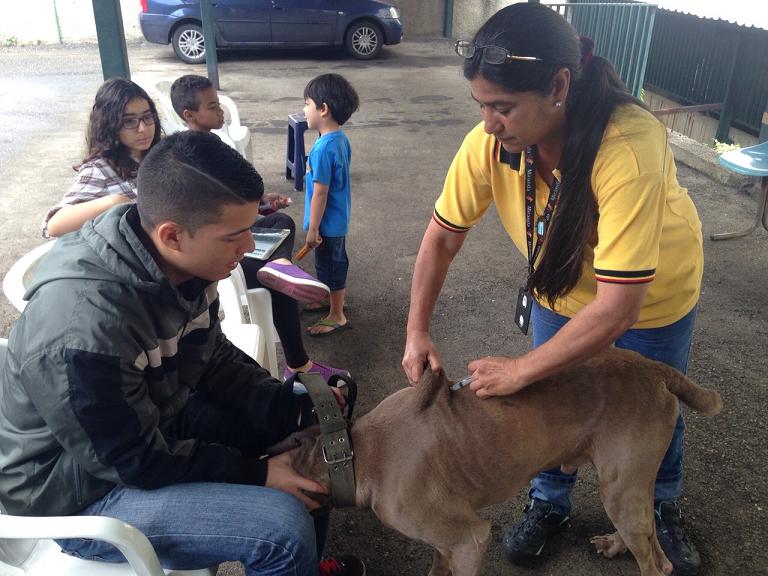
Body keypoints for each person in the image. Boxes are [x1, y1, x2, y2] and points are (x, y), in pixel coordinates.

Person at [401, 4, 704, 575]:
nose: (489, 123)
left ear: (559, 86)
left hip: (649, 303)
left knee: (648, 404)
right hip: (561, 292)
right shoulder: (492, 144)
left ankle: (658, 506)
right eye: (482, 106)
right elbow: (441, 238)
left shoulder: (628, 145)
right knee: (544, 406)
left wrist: (519, 368)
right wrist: (417, 331)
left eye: (503, 107)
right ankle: (549, 504)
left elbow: (617, 308)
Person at [0, 131, 365, 576]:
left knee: (308, 441)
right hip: (78, 494)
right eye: (236, 235)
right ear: (173, 235)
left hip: (150, 422)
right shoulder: (84, 332)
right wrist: (259, 475)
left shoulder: (181, 263)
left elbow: (210, 357)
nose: (249, 247)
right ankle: (292, 556)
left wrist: (282, 402)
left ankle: (299, 564)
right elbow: (135, 459)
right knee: (282, 527)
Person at [170, 74, 347, 380]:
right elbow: (216, 209)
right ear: (190, 115)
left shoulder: (209, 143)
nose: (220, 111)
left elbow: (235, 194)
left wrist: (264, 203)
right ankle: (298, 364)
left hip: (234, 233)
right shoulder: (191, 157)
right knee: (275, 281)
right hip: (221, 251)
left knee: (281, 222)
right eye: (212, 106)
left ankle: (278, 265)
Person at [43, 78, 162, 238]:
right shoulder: (100, 169)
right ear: (110, 125)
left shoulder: (160, 155)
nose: (143, 128)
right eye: (129, 121)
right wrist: (115, 203)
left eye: (147, 117)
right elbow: (54, 226)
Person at [302, 73, 359, 336]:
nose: (304, 110)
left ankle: (337, 315)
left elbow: (321, 194)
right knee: (326, 264)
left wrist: (313, 229)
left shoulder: (323, 149)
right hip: (335, 219)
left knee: (333, 267)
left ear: (323, 109)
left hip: (327, 224)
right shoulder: (338, 139)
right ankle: (327, 300)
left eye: (307, 104)